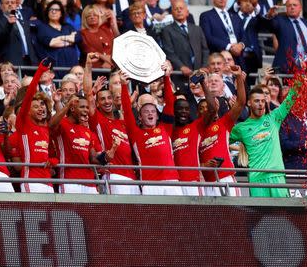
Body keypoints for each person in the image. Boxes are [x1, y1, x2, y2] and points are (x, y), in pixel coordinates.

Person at [229, 79, 300, 197]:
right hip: (256, 178)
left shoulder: (274, 118)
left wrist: (299, 81)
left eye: (263, 101)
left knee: (281, 213)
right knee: (260, 215)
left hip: (276, 176)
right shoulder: (241, 128)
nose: (261, 104)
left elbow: (289, 100)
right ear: (249, 103)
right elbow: (221, 140)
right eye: (256, 101)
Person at [121, 63, 183, 195]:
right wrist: (123, 85)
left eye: (153, 111)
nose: (150, 113)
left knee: (178, 215)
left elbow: (170, 103)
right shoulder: (136, 133)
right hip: (150, 184)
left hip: (172, 181)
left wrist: (166, 77)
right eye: (146, 111)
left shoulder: (165, 128)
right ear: (140, 117)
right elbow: (126, 111)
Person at [84, 53, 139, 195]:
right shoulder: (98, 121)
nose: (107, 101)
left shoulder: (122, 122)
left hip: (132, 177)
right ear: (97, 103)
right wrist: (89, 66)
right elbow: (88, 97)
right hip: (113, 174)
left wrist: (124, 86)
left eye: (109, 98)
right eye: (102, 99)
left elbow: (126, 109)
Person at [9, 61, 58, 193]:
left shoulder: (46, 129)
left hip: (48, 182)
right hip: (31, 180)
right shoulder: (23, 124)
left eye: (42, 105)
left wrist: (53, 161)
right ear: (28, 110)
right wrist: (40, 71)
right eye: (36, 106)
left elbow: (55, 156)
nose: (41, 108)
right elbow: (30, 93)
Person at [198, 65, 246, 196]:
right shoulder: (196, 131)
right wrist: (204, 165)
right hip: (206, 184)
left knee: (234, 216)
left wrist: (239, 78)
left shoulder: (223, 123)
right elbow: (192, 161)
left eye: (208, 107)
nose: (206, 110)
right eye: (201, 108)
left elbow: (241, 103)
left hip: (226, 179)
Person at [170, 72, 216, 196]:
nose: (183, 112)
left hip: (193, 181)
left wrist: (202, 83)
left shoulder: (196, 127)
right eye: (180, 109)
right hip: (174, 183)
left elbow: (212, 108)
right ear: (174, 111)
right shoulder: (168, 132)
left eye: (186, 109)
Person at [265, 0, 307, 73]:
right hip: (288, 68)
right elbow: (269, 25)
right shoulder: (280, 21)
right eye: (289, 5)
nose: (292, 7)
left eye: (295, 5)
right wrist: (269, 16)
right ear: (286, 8)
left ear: (300, 8)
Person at [162, 0, 209, 77]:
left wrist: (204, 66)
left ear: (187, 12)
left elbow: (205, 50)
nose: (179, 10)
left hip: (199, 73)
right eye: (176, 9)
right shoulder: (167, 30)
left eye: (181, 8)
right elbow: (169, 52)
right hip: (179, 74)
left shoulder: (197, 29)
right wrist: (181, 66)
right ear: (172, 13)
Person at [199, 0, 246, 67]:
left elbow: (244, 36)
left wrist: (241, 45)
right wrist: (229, 46)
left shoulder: (235, 16)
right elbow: (207, 37)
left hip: (238, 58)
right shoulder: (206, 16)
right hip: (218, 59)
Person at [0, 0, 38, 66]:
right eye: (7, 3)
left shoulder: (23, 21)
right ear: (1, 7)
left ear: (16, 6)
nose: (10, 4)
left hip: (30, 62)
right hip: (12, 64)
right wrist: (8, 25)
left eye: (13, 3)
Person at [37, 0, 81, 69]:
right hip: (55, 67)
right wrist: (70, 40)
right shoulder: (43, 27)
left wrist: (60, 39)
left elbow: (77, 38)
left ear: (61, 13)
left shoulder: (68, 26)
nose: (53, 11)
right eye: (51, 9)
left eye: (57, 10)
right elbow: (51, 43)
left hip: (72, 65)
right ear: (47, 12)